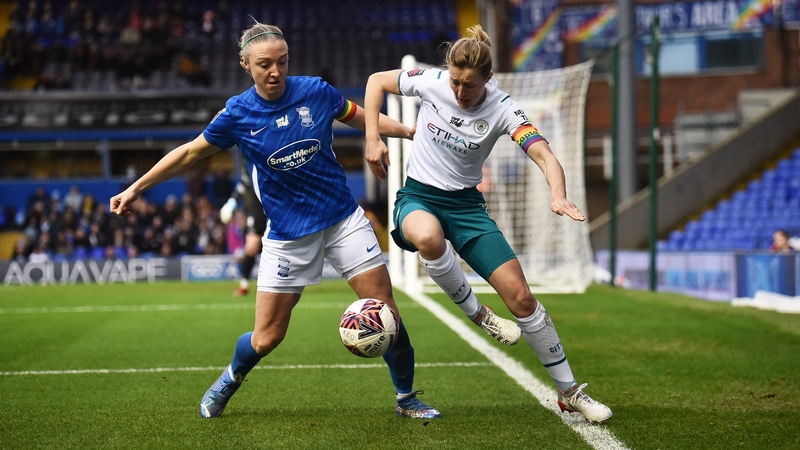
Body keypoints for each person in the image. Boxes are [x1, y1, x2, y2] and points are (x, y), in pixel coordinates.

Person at [110, 21, 440, 421]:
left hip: (342, 220)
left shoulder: (316, 91)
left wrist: (407, 130)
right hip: (287, 236)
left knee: (386, 313)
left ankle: (406, 398)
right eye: (264, 64)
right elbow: (187, 154)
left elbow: (358, 117)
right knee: (267, 338)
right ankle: (231, 376)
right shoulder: (237, 114)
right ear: (245, 65)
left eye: (282, 62)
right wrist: (136, 188)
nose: (275, 72)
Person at [363, 24, 612, 424]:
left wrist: (558, 194)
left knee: (523, 299)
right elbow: (376, 82)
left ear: (489, 79)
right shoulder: (432, 81)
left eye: (470, 86)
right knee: (427, 236)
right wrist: (373, 138)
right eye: (457, 83)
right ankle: (479, 314)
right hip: (418, 197)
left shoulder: (503, 108)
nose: (461, 92)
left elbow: (545, 155)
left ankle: (570, 392)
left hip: (467, 208)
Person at [220, 152, 267, 297]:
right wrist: (232, 202)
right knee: (252, 246)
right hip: (255, 206)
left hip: (276, 202)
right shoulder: (246, 154)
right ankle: (244, 284)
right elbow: (245, 182)